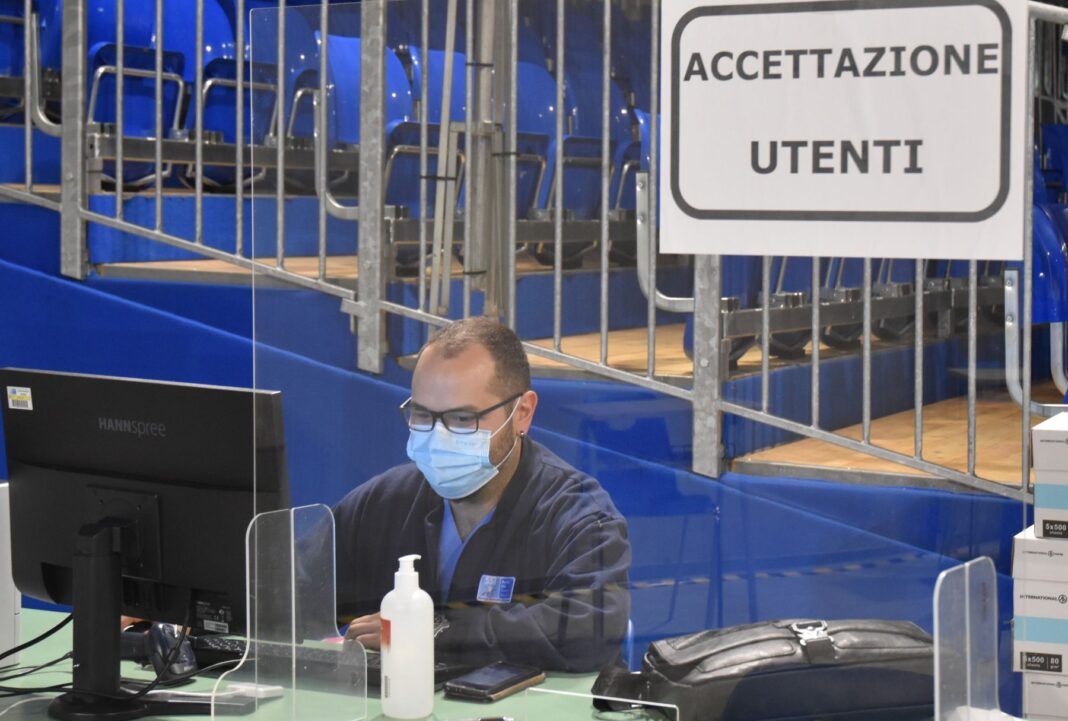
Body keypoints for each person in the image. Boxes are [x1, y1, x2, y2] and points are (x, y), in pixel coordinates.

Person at [319, 317, 631, 672]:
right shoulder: (382, 504)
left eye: (463, 419)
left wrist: (437, 631)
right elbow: (291, 589)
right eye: (422, 415)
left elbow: (590, 629)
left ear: (522, 414)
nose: (438, 437)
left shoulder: (577, 514)